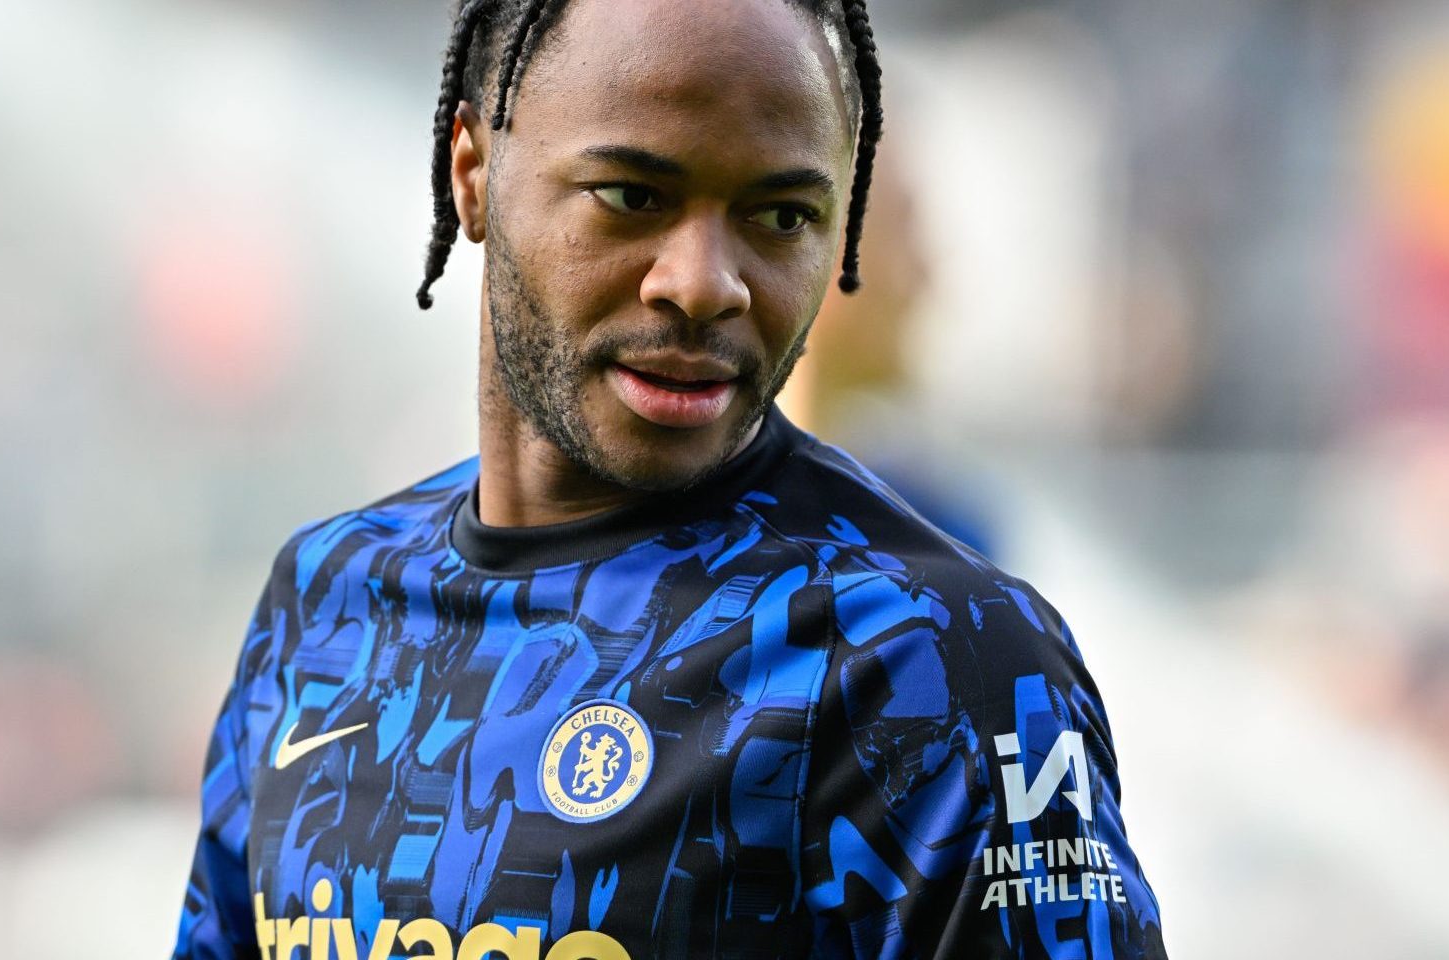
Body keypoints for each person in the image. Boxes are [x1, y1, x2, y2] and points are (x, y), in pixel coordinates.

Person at [171, 0, 1167, 957]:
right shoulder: (324, 602)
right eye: (633, 196)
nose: (702, 283)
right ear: (471, 172)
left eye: (780, 214)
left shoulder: (927, 659)